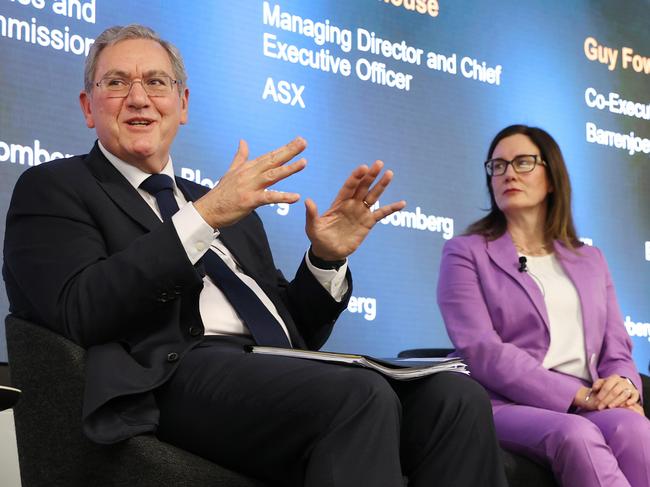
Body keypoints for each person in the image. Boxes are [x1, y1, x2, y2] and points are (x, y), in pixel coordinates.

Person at [3, 24, 507, 487]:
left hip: (267, 372)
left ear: (183, 103)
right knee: (357, 396)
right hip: (170, 378)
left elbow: (293, 332)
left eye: (156, 82)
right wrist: (201, 219)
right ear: (88, 107)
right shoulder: (55, 188)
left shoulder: (228, 206)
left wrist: (325, 260)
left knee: (455, 399)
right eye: (116, 83)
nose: (138, 97)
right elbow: (80, 308)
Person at [437, 124, 650, 486]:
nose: (508, 174)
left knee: (634, 427)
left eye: (523, 162)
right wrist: (579, 396)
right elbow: (482, 351)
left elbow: (616, 347)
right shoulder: (465, 252)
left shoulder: (591, 259)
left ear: (552, 178)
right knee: (576, 436)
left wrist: (623, 385)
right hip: (504, 402)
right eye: (498, 166)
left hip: (587, 397)